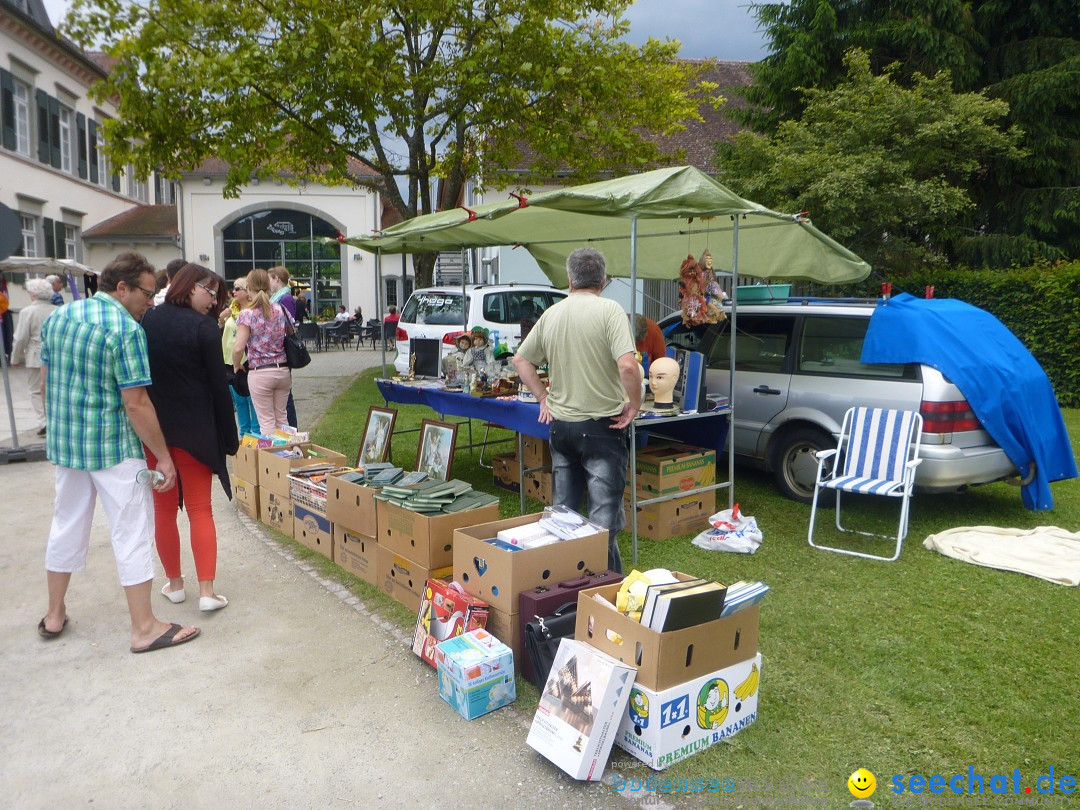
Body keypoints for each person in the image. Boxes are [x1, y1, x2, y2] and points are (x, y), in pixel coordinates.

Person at [38, 251, 199, 652]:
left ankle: (54, 614)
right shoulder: (125, 330)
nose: (150, 300)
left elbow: (45, 381)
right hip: (112, 446)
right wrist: (162, 456)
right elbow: (136, 404)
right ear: (121, 287)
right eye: (147, 292)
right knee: (132, 530)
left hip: (68, 444)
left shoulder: (59, 318)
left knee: (66, 524)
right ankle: (144, 628)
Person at [513, 247, 640, 573]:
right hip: (602, 429)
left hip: (562, 428)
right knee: (602, 522)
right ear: (604, 280)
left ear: (570, 280)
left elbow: (521, 360)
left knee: (564, 518)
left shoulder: (553, 313)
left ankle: (564, 583)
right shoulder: (611, 311)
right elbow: (628, 366)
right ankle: (604, 590)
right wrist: (634, 405)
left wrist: (543, 397)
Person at [141, 263, 239, 612]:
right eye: (210, 292)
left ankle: (175, 583)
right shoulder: (204, 329)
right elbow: (218, 389)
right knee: (200, 509)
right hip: (197, 432)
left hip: (156, 434)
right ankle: (208, 592)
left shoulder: (148, 321)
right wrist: (230, 438)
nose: (214, 301)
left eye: (216, 295)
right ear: (188, 286)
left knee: (163, 510)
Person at [233, 268, 293, 435]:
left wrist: (236, 365)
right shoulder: (280, 309)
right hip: (282, 370)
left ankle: (272, 460)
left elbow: (238, 347)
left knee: (266, 422)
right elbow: (291, 331)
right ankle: (287, 457)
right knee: (282, 419)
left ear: (248, 288)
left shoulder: (247, 314)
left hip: (260, 373)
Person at [10, 278, 58, 436]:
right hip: (57, 354)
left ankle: (44, 421)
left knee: (36, 391)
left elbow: (21, 337)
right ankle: (55, 420)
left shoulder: (27, 312)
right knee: (55, 389)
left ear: (33, 295)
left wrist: (14, 358)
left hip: (35, 355)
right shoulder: (57, 310)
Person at [220, 278, 257, 436]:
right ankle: (244, 435)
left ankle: (256, 434)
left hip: (246, 361)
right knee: (239, 402)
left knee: (252, 400)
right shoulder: (231, 310)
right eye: (232, 289)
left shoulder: (252, 311)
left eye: (237, 288)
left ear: (248, 292)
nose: (233, 292)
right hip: (229, 361)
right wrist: (221, 320)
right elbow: (223, 330)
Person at [267, 267, 299, 428]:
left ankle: (292, 429)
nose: (269, 283)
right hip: (279, 351)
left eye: (270, 279)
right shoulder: (277, 297)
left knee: (286, 397)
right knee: (284, 397)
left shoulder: (284, 299)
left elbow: (288, 326)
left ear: (277, 279)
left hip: (283, 351)